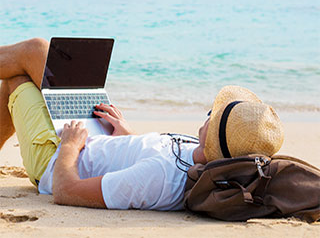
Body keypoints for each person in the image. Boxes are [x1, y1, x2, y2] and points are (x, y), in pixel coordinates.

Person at [0, 38, 284, 210]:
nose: (208, 114)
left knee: (22, 71)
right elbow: (153, 155)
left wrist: (71, 146)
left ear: (217, 138)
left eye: (214, 114)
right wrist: (127, 135)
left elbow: (65, 191)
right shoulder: (198, 155)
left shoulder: (158, 177)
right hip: (97, 138)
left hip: (55, 158)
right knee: (41, 55)